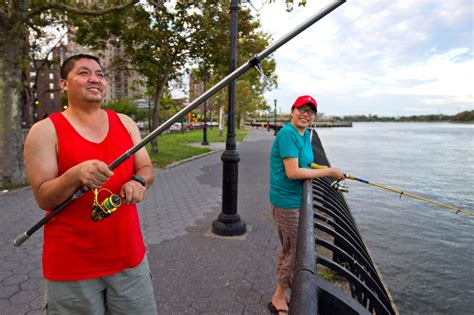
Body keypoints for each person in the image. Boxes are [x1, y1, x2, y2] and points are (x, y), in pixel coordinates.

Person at [23, 54, 157, 314]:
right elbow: (43, 198)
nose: (95, 79)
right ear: (63, 83)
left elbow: (146, 168)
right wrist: (75, 174)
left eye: (100, 74)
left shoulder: (125, 123)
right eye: (84, 73)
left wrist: (139, 181)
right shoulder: (45, 131)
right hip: (72, 268)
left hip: (129, 259)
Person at [268, 95, 344, 314]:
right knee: (296, 252)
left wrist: (322, 167)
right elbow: (292, 172)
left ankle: (280, 293)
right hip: (287, 201)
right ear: (292, 111)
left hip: (296, 200)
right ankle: (279, 297)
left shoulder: (303, 134)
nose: (305, 114)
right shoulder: (288, 134)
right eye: (301, 109)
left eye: (310, 111)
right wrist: (328, 171)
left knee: (290, 248)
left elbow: (306, 162)